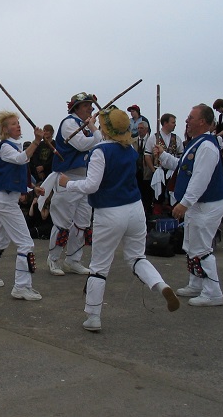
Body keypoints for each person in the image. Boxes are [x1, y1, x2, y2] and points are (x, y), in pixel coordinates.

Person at [59, 106, 179, 332]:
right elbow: (108, 140)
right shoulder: (130, 150)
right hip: (135, 210)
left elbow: (91, 185)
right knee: (136, 258)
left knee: (99, 267)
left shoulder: (99, 152)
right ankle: (160, 284)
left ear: (105, 129)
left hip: (109, 212)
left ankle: (93, 316)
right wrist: (98, 127)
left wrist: (68, 184)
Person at [155, 104, 223, 307]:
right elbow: (183, 166)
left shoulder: (207, 146)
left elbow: (200, 179)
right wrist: (164, 156)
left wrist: (184, 203)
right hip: (199, 205)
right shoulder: (196, 143)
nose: (186, 121)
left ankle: (213, 292)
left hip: (207, 204)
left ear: (202, 121)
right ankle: (196, 283)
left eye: (190, 117)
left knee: (202, 247)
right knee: (192, 244)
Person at [0, 110, 44, 301]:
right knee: (25, 242)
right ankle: (21, 286)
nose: (18, 125)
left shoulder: (13, 146)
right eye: (13, 123)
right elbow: (21, 159)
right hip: (5, 201)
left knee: (1, 241)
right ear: (5, 129)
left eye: (18, 123)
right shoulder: (5, 147)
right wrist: (37, 141)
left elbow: (19, 171)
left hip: (5, 199)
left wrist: (32, 189)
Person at [46, 92, 101, 276]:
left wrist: (94, 131)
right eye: (86, 105)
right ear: (76, 107)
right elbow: (83, 144)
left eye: (91, 105)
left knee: (82, 222)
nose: (90, 108)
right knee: (62, 222)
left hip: (84, 179)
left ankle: (73, 260)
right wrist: (95, 131)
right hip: (67, 177)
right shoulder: (70, 123)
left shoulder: (84, 125)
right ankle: (53, 259)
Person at [144, 113, 183, 211]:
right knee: (158, 196)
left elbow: (181, 155)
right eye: (173, 122)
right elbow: (147, 155)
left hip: (173, 172)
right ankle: (157, 216)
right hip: (159, 171)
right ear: (165, 123)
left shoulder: (177, 138)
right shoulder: (153, 138)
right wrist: (153, 170)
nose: (175, 125)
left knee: (172, 195)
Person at [133, 121, 153, 215]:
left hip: (147, 171)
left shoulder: (151, 140)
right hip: (136, 171)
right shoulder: (133, 141)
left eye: (141, 128)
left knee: (147, 192)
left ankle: (148, 211)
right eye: (138, 128)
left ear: (146, 129)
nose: (139, 130)